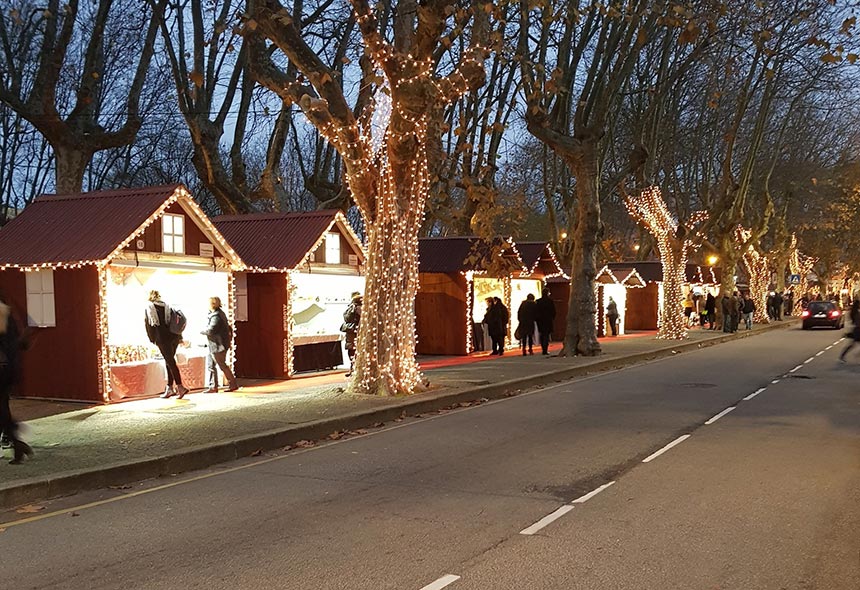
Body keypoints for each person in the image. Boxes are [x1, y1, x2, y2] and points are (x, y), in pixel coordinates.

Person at [0, 296, 33, 464]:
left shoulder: (1, 312)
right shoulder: (8, 311)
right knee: (2, 408)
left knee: (2, 410)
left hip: (3, 369)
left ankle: (17, 442)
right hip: (8, 367)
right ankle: (18, 444)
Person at [144, 290, 189, 399]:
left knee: (170, 362)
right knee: (169, 361)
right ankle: (169, 388)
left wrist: (152, 339)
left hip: (162, 339)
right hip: (174, 337)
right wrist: (180, 337)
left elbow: (149, 325)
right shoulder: (167, 306)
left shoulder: (150, 308)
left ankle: (180, 386)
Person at [201, 297, 237, 393]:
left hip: (218, 345)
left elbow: (211, 330)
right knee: (211, 365)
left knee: (221, 365)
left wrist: (202, 331)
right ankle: (213, 386)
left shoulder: (216, 316)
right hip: (215, 345)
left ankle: (232, 384)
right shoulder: (219, 314)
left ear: (212, 304)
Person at [342, 292, 362, 376]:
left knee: (353, 350)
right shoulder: (354, 307)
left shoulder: (355, 307)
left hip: (353, 331)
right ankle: (353, 368)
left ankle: (354, 369)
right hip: (352, 331)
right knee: (352, 350)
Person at [535, 288, 556, 355]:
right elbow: (553, 311)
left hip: (540, 320)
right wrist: (552, 317)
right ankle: (545, 349)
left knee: (542, 334)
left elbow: (536, 311)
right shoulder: (550, 301)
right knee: (546, 334)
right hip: (548, 320)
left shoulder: (538, 301)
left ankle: (543, 348)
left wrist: (537, 318)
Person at [839, 298, 860, 363]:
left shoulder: (852, 312)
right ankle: (842, 356)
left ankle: (842, 356)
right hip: (857, 330)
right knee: (851, 344)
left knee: (851, 344)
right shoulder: (856, 313)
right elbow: (858, 322)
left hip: (855, 330)